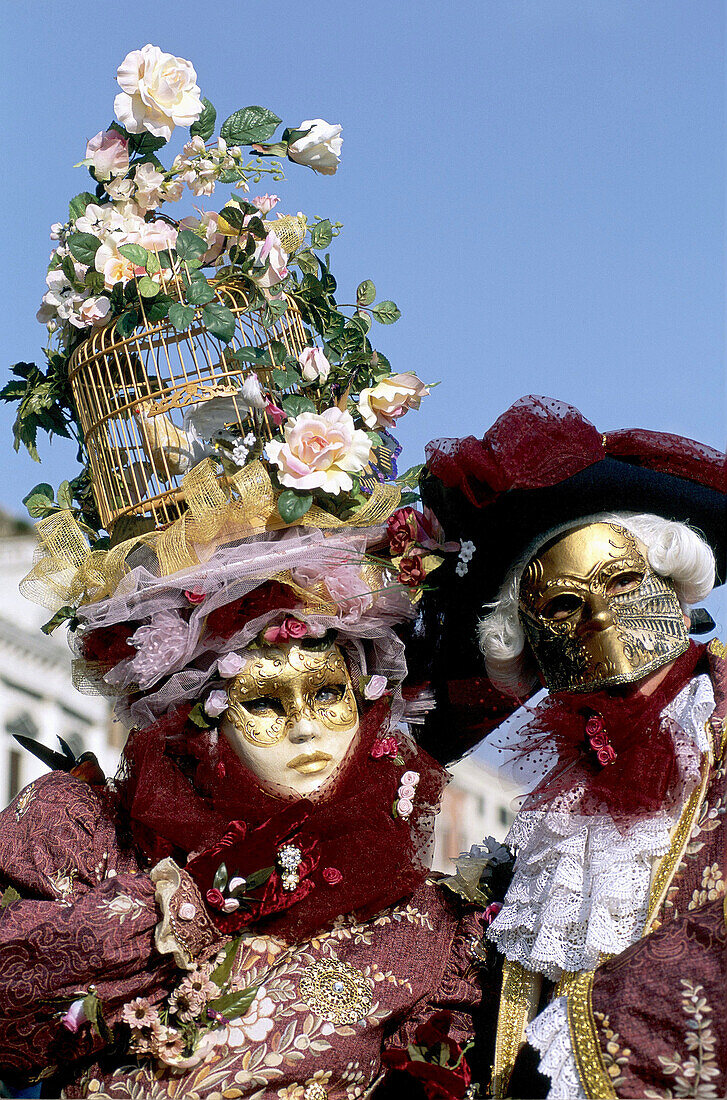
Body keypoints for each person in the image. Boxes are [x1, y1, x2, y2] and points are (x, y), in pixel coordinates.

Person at [0, 44, 495, 1099]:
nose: (311, 723)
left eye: (326, 690)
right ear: (201, 716)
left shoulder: (432, 930)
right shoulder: (87, 835)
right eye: (263, 702)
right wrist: (174, 905)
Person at [420, 394, 726, 1099]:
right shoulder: (504, 765)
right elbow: (429, 903)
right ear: (524, 634)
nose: (598, 618)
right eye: (561, 604)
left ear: (675, 588)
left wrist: (603, 1028)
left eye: (621, 583)